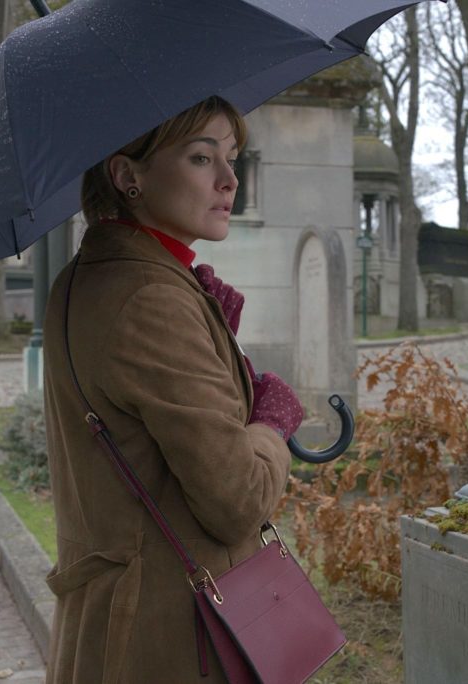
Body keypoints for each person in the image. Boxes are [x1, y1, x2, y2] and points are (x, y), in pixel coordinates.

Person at [42, 96, 304, 682]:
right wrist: (272, 421)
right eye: (200, 157)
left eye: (232, 158)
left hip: (111, 623)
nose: (229, 180)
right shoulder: (151, 297)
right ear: (127, 175)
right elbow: (238, 500)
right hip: (174, 638)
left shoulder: (85, 278)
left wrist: (211, 332)